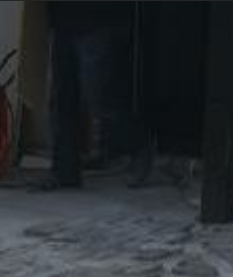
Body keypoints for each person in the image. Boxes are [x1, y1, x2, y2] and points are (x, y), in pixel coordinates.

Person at [41, 1, 151, 189]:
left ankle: (138, 143)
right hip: (64, 21)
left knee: (99, 97)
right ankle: (65, 171)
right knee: (62, 99)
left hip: (96, 20)